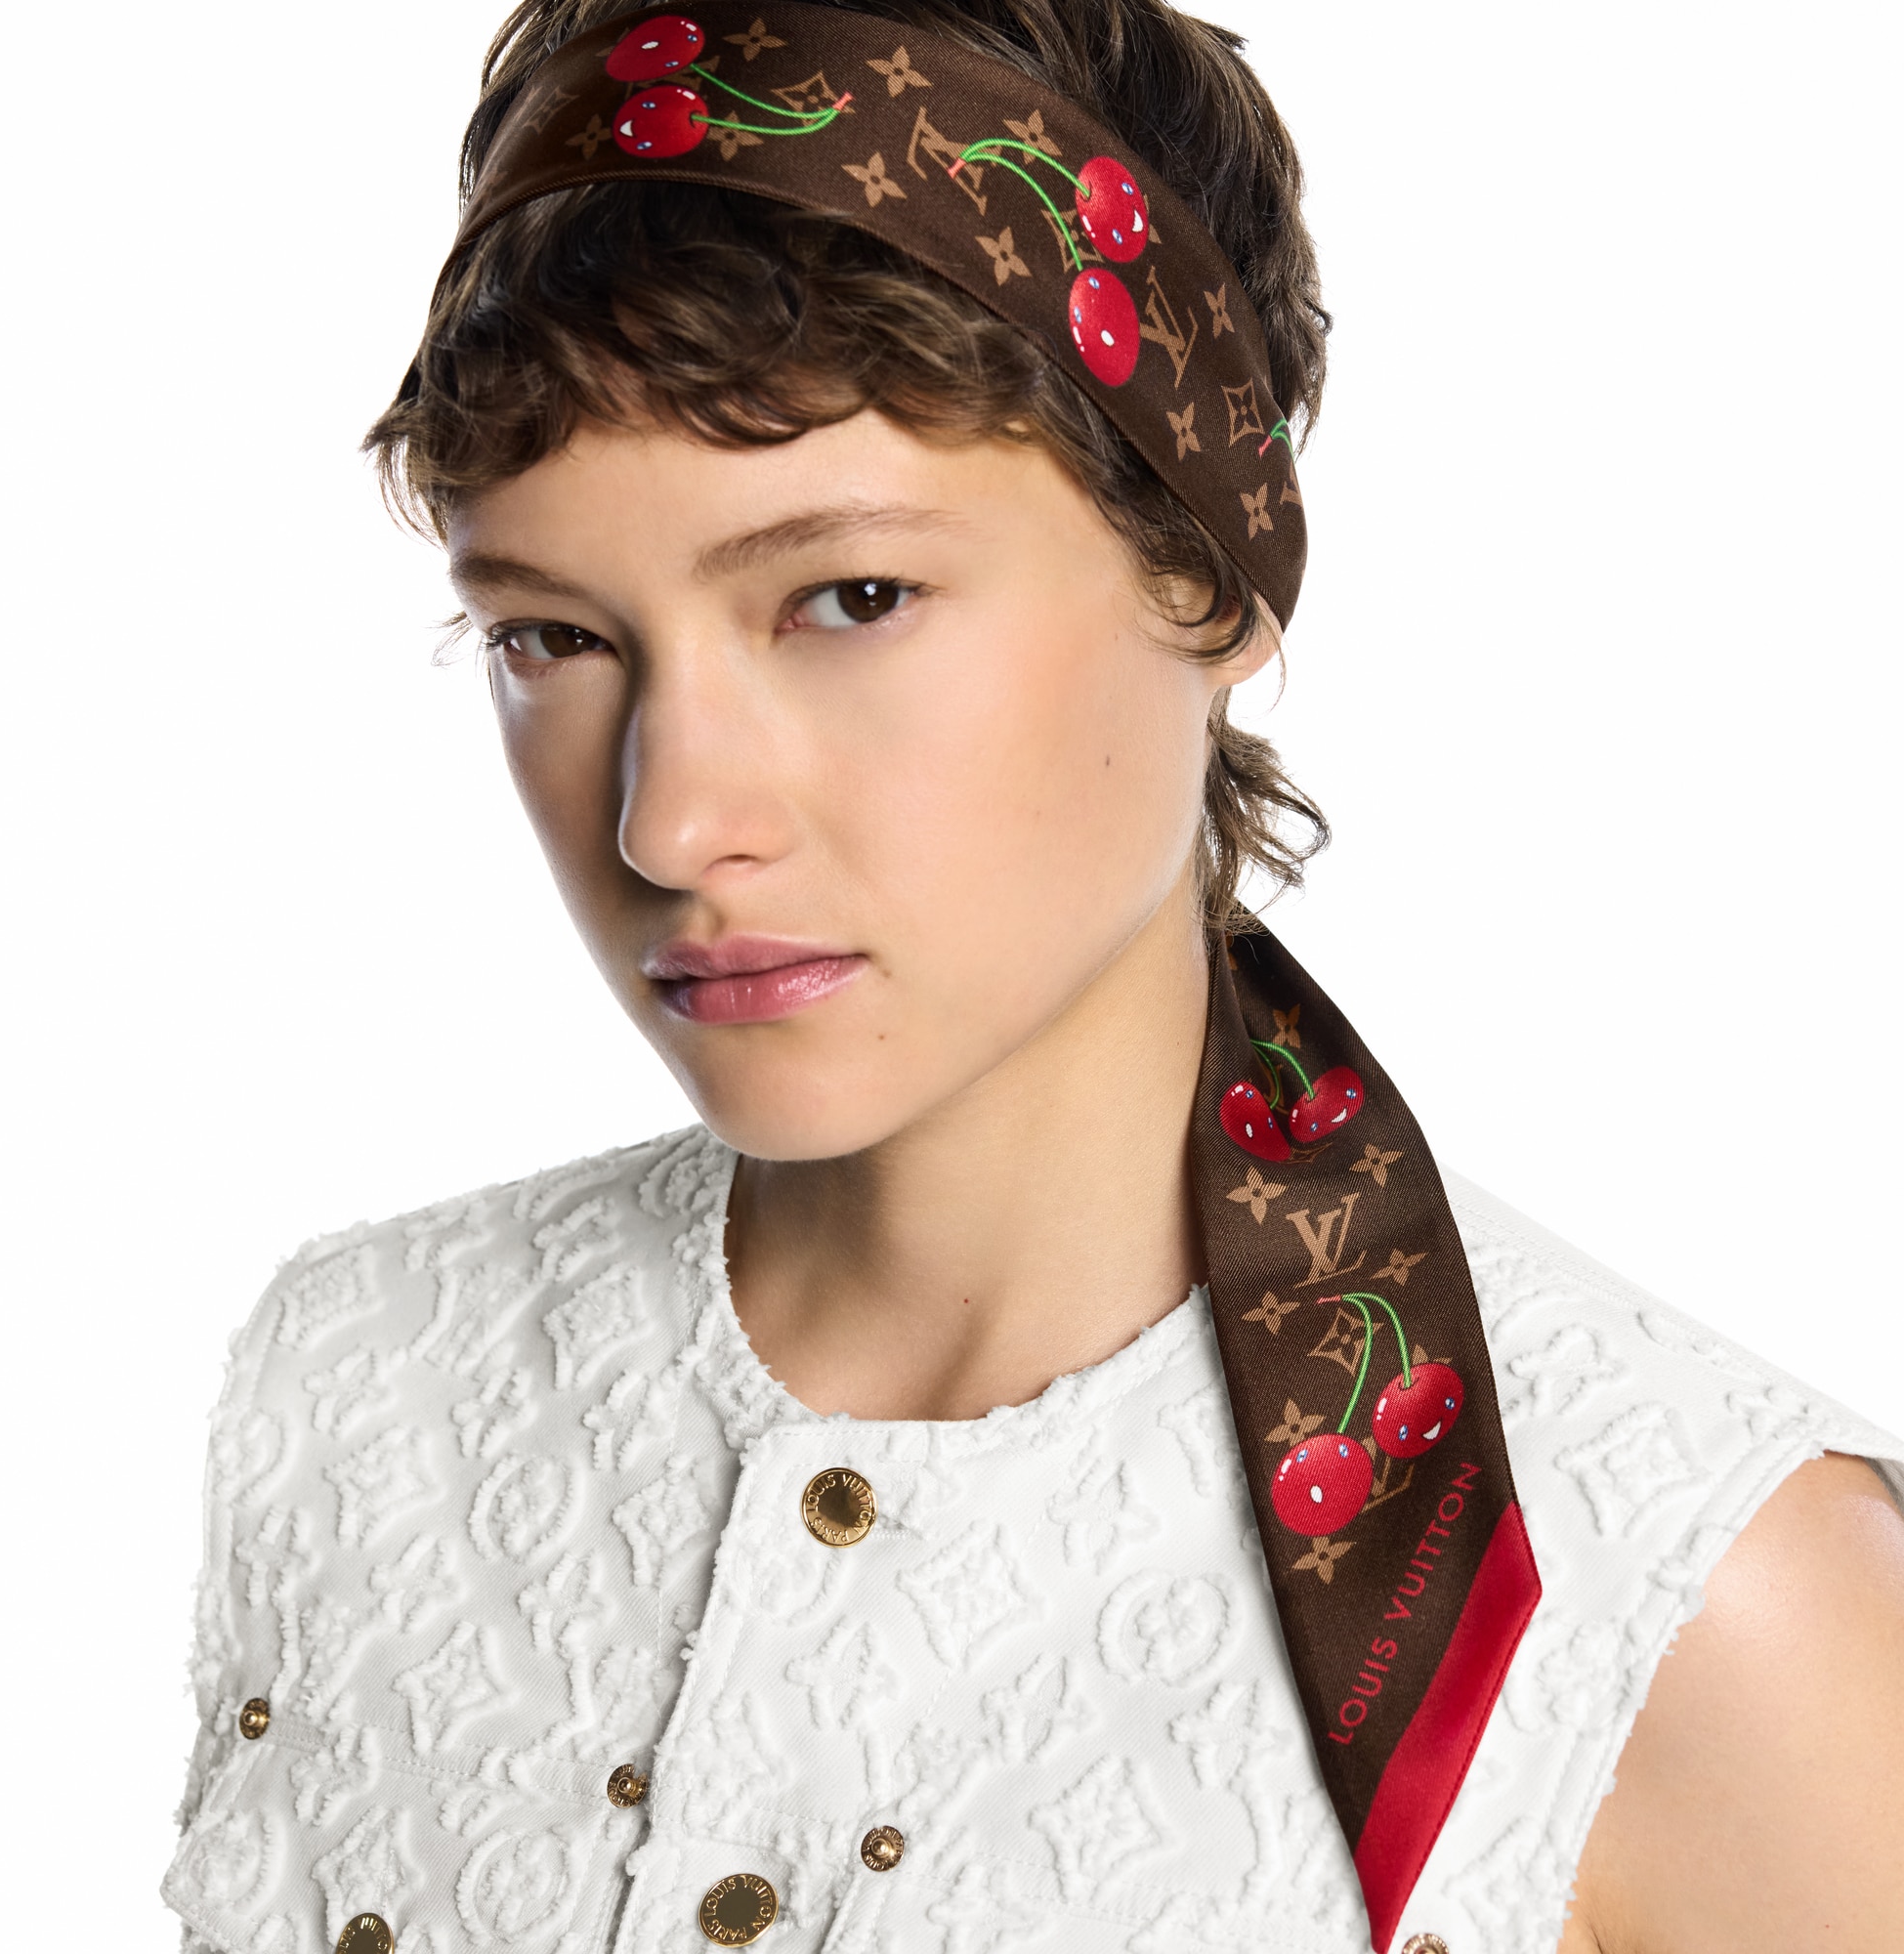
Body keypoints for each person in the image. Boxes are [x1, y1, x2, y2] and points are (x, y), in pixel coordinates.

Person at [162, 1, 1904, 1950]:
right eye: (551, 637)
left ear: (1211, 573)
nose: (674, 820)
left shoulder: (1692, 1606)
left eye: (850, 597)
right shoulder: (363, 1377)